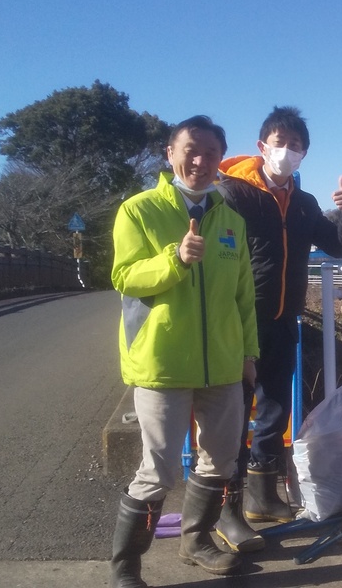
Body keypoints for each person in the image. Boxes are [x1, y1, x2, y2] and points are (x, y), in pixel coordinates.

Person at [108, 115, 259, 587]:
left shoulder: (231, 220)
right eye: (190, 150)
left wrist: (248, 353)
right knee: (158, 471)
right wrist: (174, 259)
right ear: (170, 154)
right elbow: (124, 277)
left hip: (224, 365)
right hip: (162, 363)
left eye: (211, 153)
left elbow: (244, 298)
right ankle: (126, 568)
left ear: (221, 161)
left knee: (222, 460)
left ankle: (197, 541)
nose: (200, 160)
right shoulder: (139, 210)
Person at [215, 106, 342, 550]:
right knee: (233, 412)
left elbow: (336, 247)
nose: (288, 152)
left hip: (282, 318)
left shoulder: (303, 203)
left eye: (296, 146)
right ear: (262, 147)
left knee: (274, 408)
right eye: (280, 143)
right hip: (240, 319)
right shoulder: (232, 194)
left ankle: (263, 496)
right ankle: (228, 509)